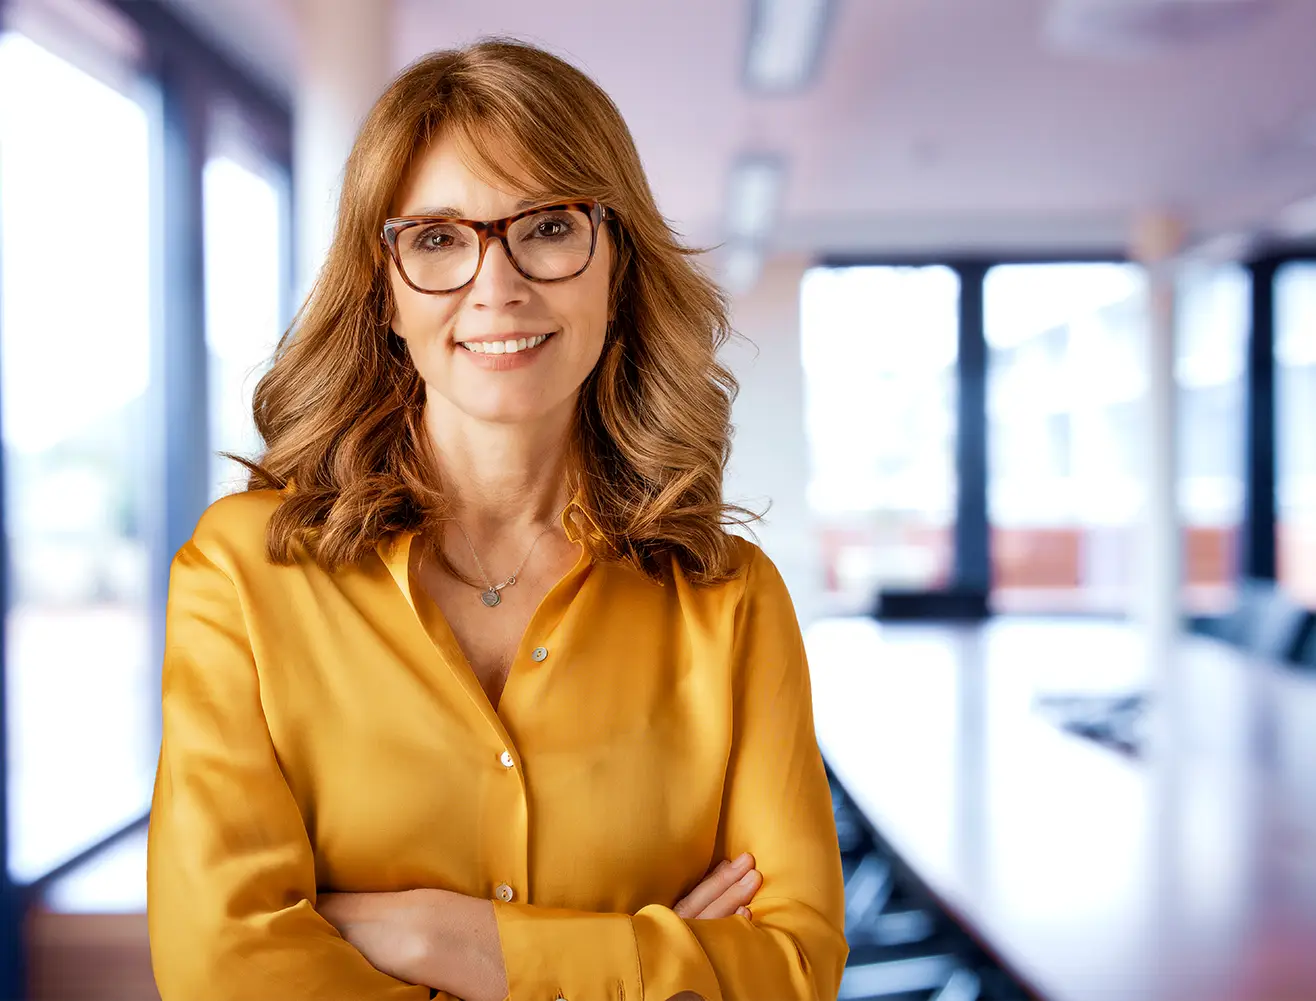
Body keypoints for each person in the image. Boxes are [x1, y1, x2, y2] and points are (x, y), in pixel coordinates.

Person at [146, 37, 847, 1001]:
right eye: (437, 238)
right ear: (383, 289)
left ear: (619, 263)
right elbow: (225, 973)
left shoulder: (729, 604)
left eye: (548, 227)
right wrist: (636, 965)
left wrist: (461, 943)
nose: (497, 283)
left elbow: (794, 971)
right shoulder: (243, 575)